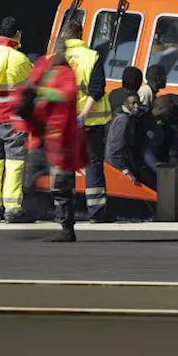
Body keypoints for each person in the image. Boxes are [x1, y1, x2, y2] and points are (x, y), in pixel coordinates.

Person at [16, 40, 90, 243]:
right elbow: (29, 86)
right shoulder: (44, 67)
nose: (57, 54)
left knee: (61, 186)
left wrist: (40, 92)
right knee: (29, 176)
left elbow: (67, 95)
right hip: (43, 136)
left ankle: (67, 229)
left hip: (60, 139)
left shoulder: (66, 74)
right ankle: (33, 213)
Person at [0, 17, 33, 223]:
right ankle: (12, 209)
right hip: (14, 121)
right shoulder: (20, 59)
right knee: (14, 163)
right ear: (17, 34)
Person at [60, 20, 113, 223]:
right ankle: (97, 212)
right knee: (93, 165)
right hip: (88, 123)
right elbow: (96, 89)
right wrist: (82, 115)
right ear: (80, 35)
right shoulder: (91, 56)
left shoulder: (55, 58)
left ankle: (63, 214)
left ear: (65, 35)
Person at [105, 93, 144, 186]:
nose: (136, 106)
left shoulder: (127, 118)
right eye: (133, 103)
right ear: (126, 104)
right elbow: (116, 147)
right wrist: (125, 170)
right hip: (116, 167)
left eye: (138, 103)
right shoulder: (123, 120)